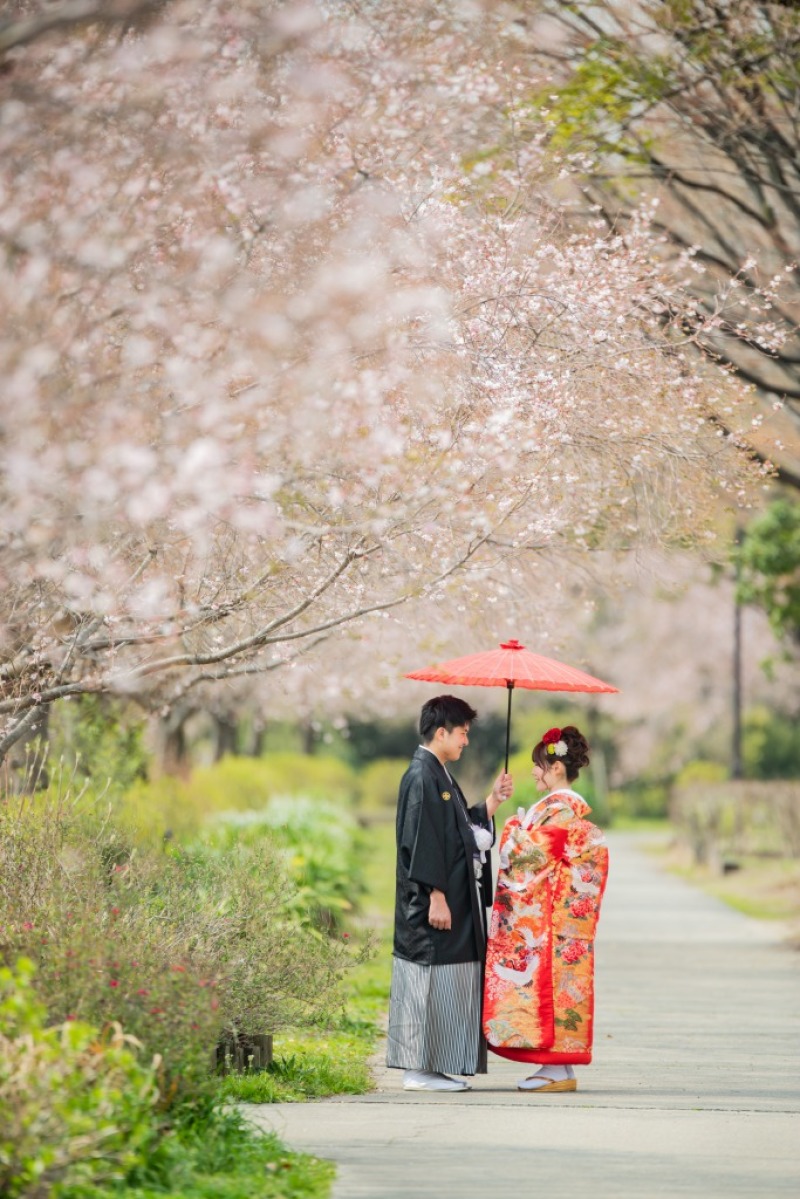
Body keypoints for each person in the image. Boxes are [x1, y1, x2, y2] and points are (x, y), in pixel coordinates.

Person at [386, 694, 514, 1092]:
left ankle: (434, 1064)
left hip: (454, 902)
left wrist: (493, 801)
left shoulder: (438, 773)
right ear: (441, 732)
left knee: (450, 981)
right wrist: (436, 895)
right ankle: (417, 1069)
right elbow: (421, 842)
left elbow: (458, 829)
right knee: (429, 977)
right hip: (431, 905)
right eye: (462, 733)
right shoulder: (421, 776)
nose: (466, 741)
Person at [483, 725, 609, 1093]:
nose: (534, 772)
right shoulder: (560, 808)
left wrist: (510, 832)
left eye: (538, 765)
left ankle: (555, 1067)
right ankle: (559, 1069)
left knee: (552, 987)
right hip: (559, 915)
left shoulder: (560, 808)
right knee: (558, 987)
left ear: (556, 768)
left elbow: (529, 856)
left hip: (550, 919)